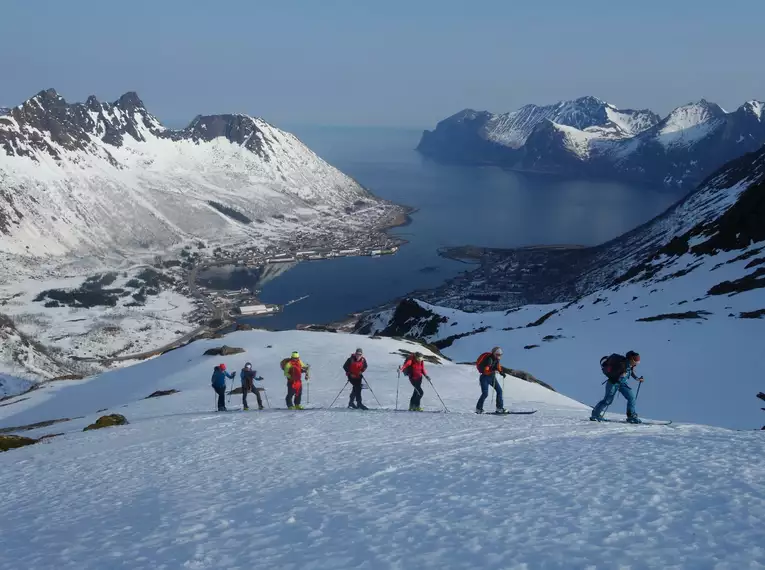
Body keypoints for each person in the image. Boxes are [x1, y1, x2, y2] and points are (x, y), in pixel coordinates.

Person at [591, 350, 644, 423]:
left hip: (622, 383)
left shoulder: (630, 365)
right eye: (636, 361)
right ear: (631, 359)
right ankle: (595, 415)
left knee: (631, 398)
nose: (637, 363)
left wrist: (637, 378)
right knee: (607, 401)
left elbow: (631, 372)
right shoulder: (622, 364)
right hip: (613, 383)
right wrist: (620, 374)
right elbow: (614, 374)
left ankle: (631, 416)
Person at [476, 347, 507, 414]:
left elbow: (498, 366)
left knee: (499, 391)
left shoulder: (496, 359)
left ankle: (499, 408)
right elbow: (486, 370)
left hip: (492, 377)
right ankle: (479, 409)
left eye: (500, 354)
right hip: (485, 378)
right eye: (498, 354)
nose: (499, 356)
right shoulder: (489, 359)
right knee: (485, 394)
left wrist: (501, 372)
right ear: (494, 353)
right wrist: (493, 370)